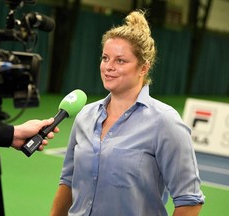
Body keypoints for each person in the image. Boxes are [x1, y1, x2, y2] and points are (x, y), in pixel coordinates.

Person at [50, 10, 205, 216]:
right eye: (105, 58)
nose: (109, 67)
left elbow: (190, 200)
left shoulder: (165, 122)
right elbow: (68, 182)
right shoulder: (85, 116)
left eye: (120, 61)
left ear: (143, 68)